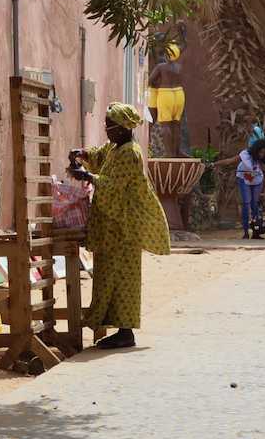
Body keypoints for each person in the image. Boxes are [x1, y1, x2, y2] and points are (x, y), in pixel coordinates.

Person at [66, 103, 172, 350]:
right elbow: (99, 155)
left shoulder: (131, 153)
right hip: (111, 226)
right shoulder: (115, 147)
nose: (106, 131)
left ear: (123, 129)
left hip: (124, 226)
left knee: (123, 278)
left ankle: (126, 333)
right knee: (107, 276)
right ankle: (117, 329)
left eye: (110, 127)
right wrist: (82, 153)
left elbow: (114, 185)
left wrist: (88, 177)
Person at [210, 137, 265, 239]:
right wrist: (211, 165)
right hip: (244, 179)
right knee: (246, 204)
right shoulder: (246, 154)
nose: (262, 155)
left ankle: (256, 232)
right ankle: (245, 231)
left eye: (264, 153)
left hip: (257, 180)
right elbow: (229, 161)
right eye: (260, 152)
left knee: (255, 204)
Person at [145, 22, 187, 158]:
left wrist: (182, 32)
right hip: (155, 90)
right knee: (152, 119)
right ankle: (146, 146)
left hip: (165, 93)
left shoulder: (170, 54)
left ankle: (176, 151)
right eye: (162, 41)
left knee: (171, 123)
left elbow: (184, 45)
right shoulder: (151, 53)